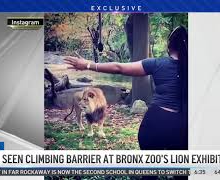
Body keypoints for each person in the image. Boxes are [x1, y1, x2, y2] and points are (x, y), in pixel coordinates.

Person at [64, 26, 188, 180]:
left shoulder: (158, 63)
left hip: (156, 124)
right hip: (183, 127)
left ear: (169, 46)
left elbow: (119, 67)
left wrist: (88, 65)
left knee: (149, 175)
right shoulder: (197, 69)